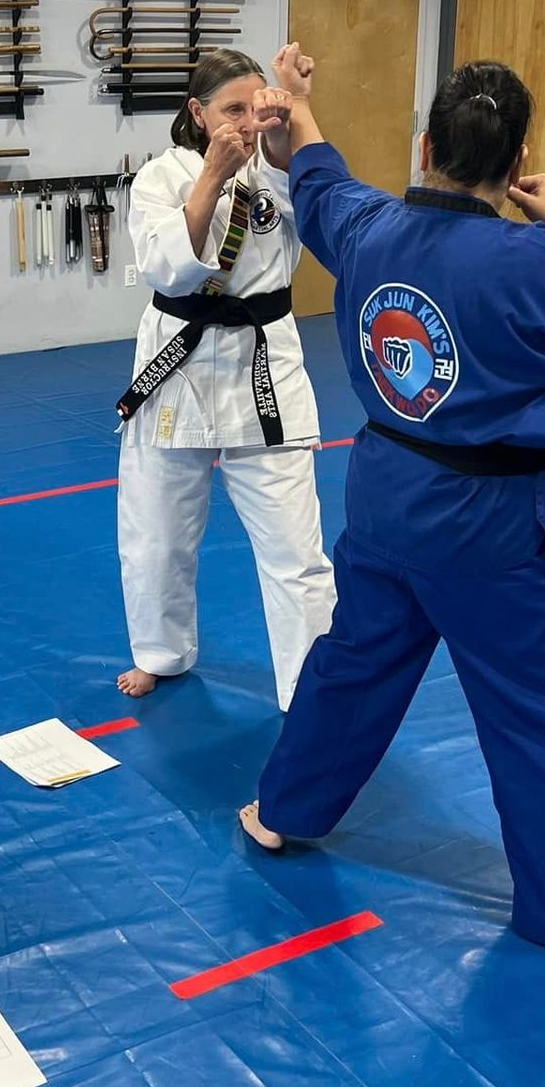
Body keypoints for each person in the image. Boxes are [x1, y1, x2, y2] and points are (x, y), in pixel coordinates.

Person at [238, 51, 545, 947]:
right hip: (489, 523)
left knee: (355, 663)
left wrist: (301, 107)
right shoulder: (539, 261)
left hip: (386, 493)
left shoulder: (369, 230)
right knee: (542, 707)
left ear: (426, 145)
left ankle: (283, 811)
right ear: (517, 164)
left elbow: (319, 179)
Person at [113, 48, 336, 711]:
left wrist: (292, 117)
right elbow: (167, 269)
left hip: (264, 370)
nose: (241, 121)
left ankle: (313, 688)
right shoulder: (160, 178)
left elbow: (329, 215)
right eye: (229, 110)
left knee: (297, 553)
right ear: (197, 113)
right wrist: (215, 173)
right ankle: (161, 652)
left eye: (252, 107)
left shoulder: (283, 174)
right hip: (176, 371)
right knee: (156, 538)